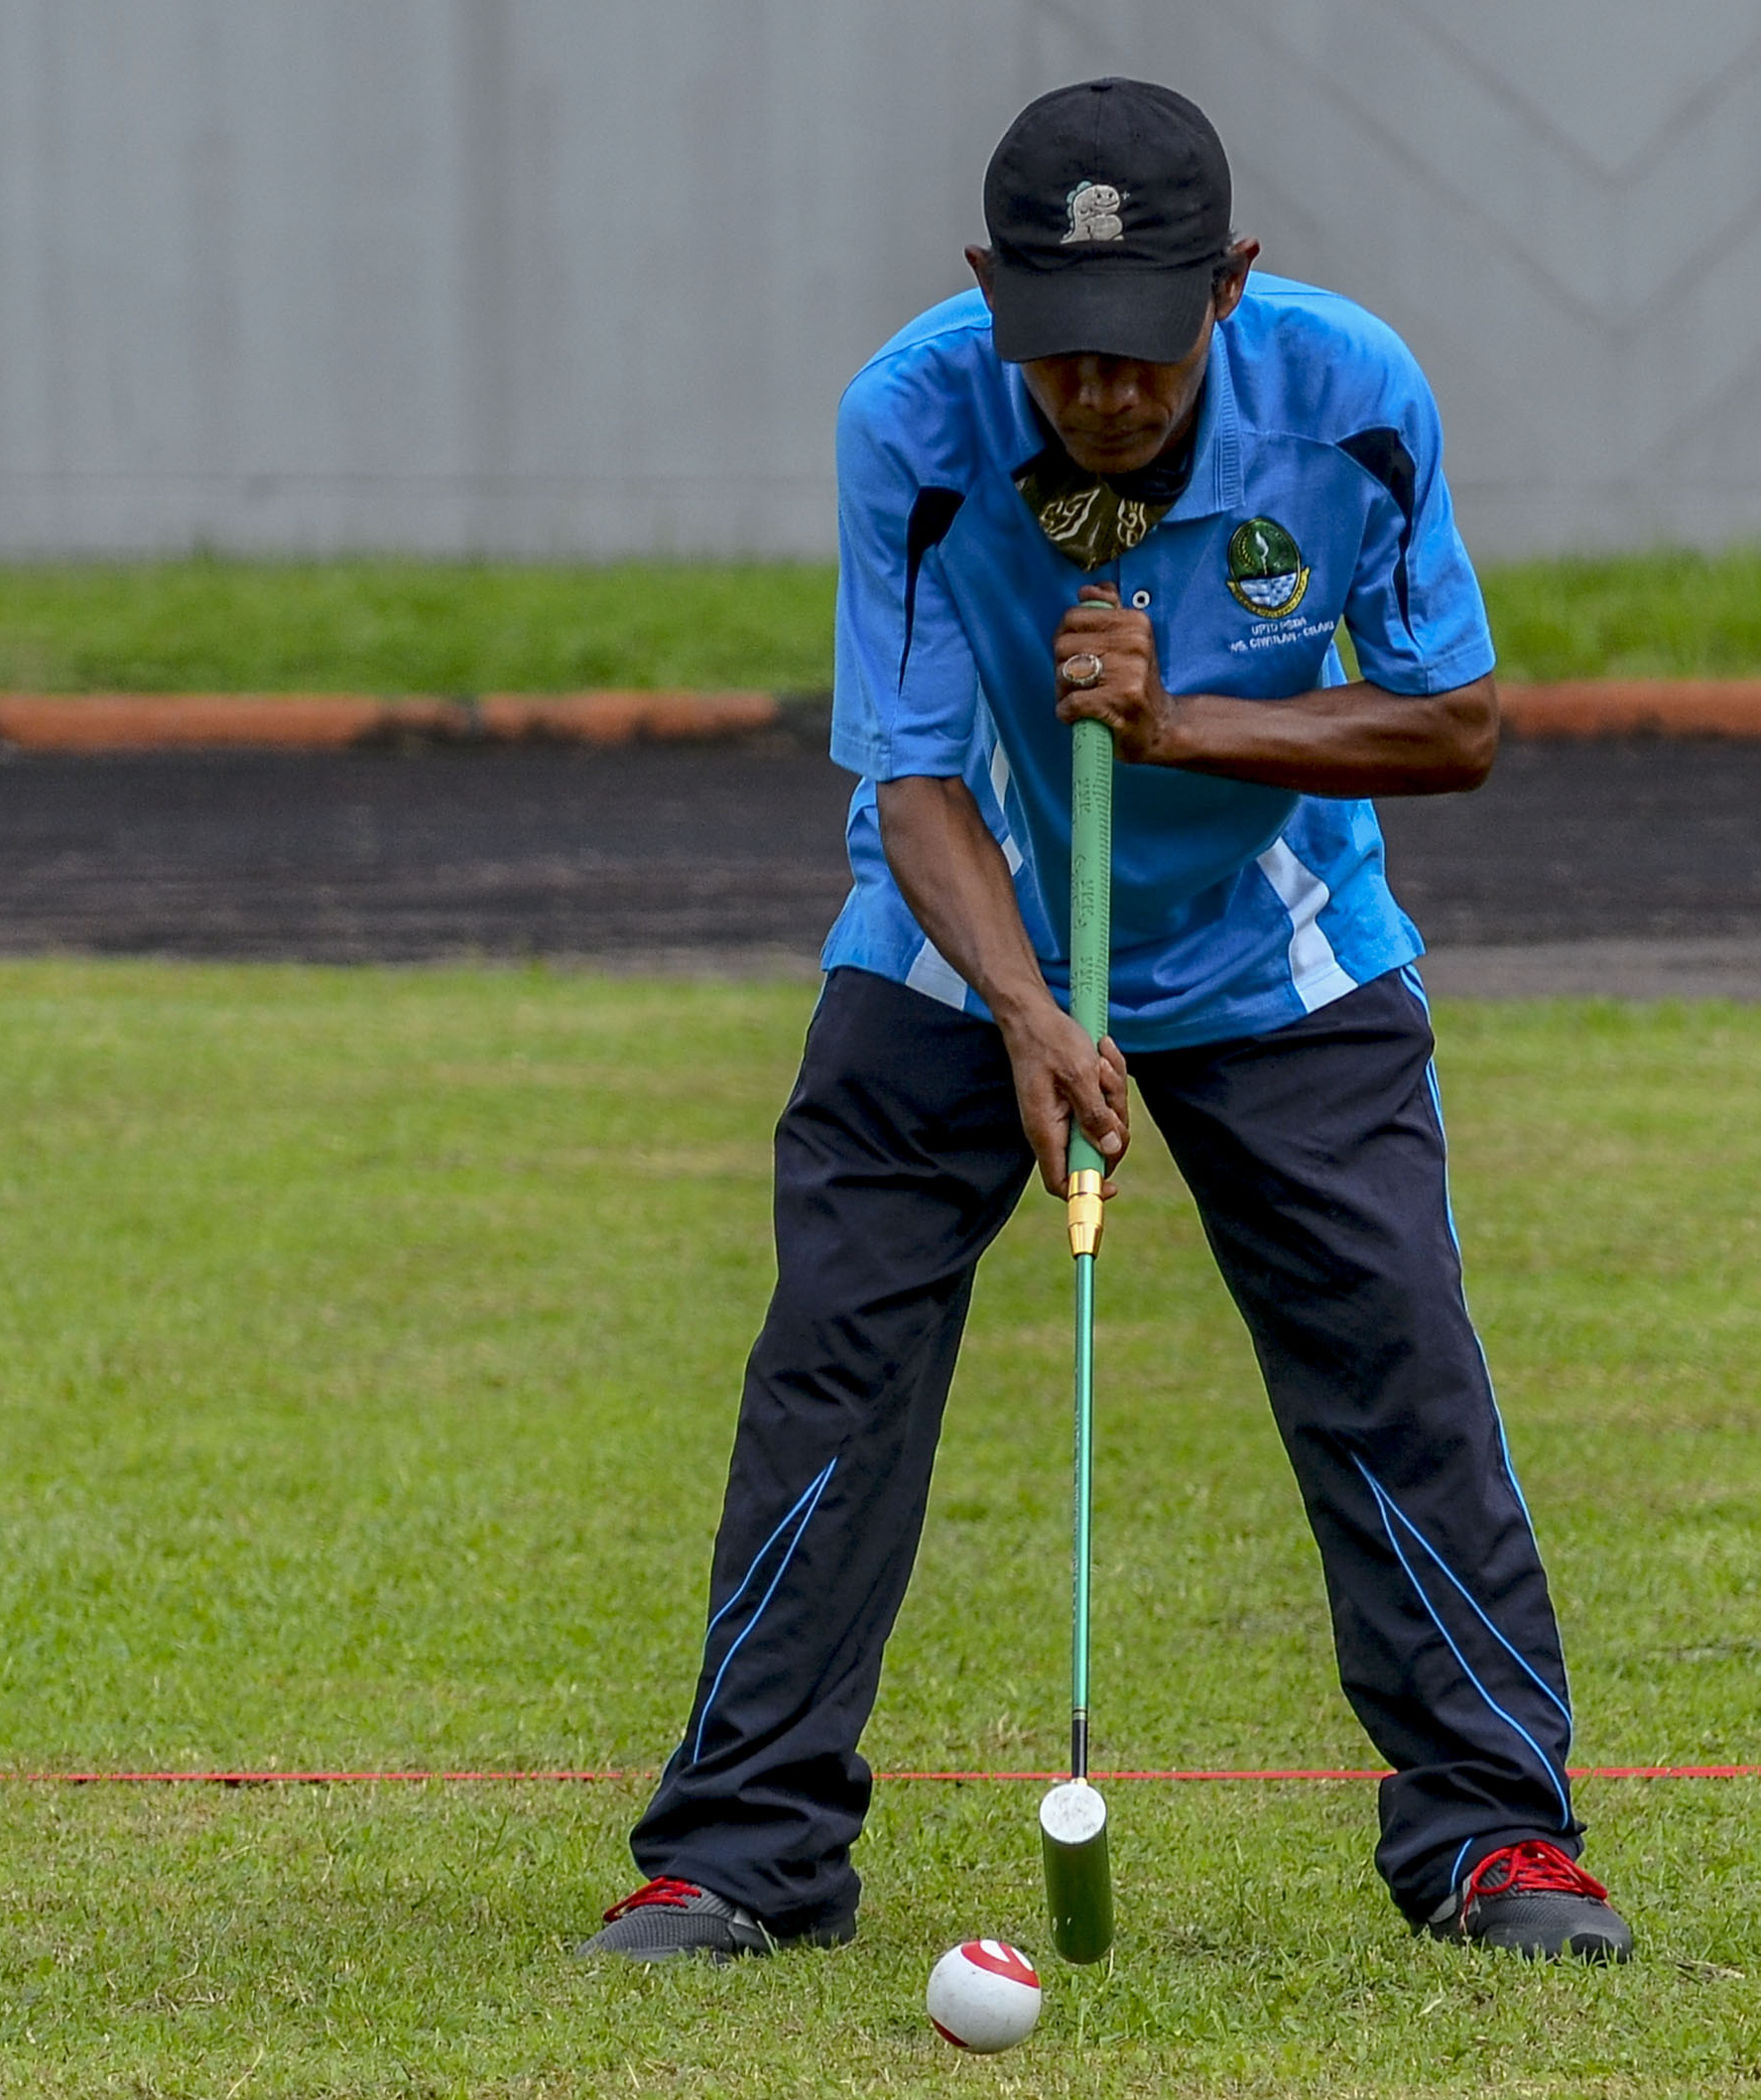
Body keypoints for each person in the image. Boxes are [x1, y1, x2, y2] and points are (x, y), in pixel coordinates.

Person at [587, 76, 1625, 1967]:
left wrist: (1180, 729)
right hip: (957, 941)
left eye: (1142, 355)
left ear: (1228, 281)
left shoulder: (1354, 397)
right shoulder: (909, 418)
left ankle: (1495, 1835)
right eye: (1058, 356)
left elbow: (1450, 724)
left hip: (1280, 954)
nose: (1104, 396)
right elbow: (909, 785)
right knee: (832, 1358)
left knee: (1396, 1359)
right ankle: (740, 1853)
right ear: (984, 291)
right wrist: (1024, 1012)